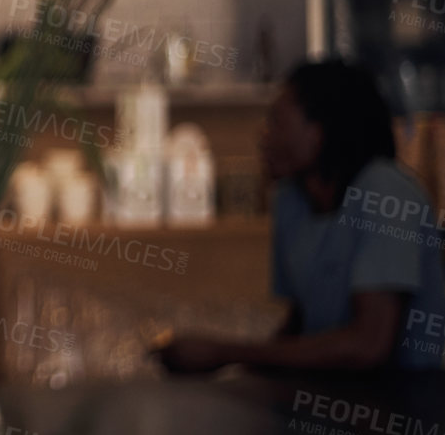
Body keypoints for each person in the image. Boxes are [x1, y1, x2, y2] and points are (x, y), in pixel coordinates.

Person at [161, 59, 445, 374]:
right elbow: (300, 325)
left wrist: (224, 352)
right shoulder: (291, 201)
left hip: (403, 409)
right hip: (331, 398)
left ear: (318, 131)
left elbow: (369, 346)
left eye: (277, 122)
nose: (264, 136)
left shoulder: (386, 194)